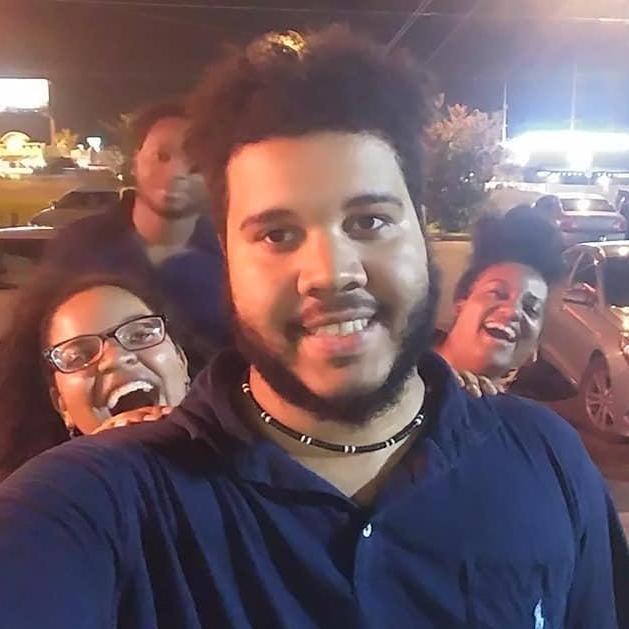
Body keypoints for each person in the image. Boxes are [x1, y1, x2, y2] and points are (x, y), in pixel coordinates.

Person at [0, 27, 627, 628]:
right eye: (278, 234)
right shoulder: (97, 505)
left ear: (421, 229)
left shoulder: (546, 460)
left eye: (368, 221)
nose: (330, 273)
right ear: (226, 258)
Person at [44, 101, 229, 372]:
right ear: (134, 160)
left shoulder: (233, 256)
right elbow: (43, 341)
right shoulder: (78, 248)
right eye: (162, 156)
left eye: (196, 164)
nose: (176, 174)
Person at [0, 271, 190, 480]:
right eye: (78, 356)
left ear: (181, 361)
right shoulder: (43, 493)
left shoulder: (221, 455)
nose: (115, 358)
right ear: (62, 407)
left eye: (141, 334)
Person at [437, 211, 564, 388]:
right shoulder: (402, 369)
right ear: (461, 303)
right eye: (497, 293)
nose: (513, 311)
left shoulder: (518, 409)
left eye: (531, 309)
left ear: (533, 350)